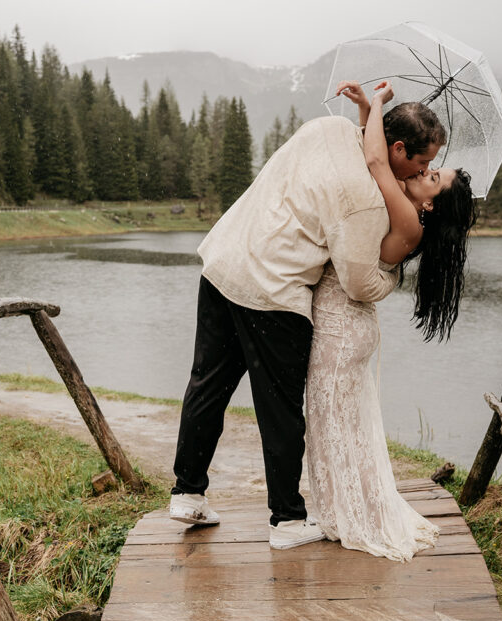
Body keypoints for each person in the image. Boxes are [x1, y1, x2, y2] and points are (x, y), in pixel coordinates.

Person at [168, 87, 448, 550]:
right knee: (279, 407)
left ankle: (187, 492)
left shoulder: (328, 128)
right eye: (422, 164)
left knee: (208, 384)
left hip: (224, 261)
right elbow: (359, 284)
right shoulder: (365, 200)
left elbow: (355, 149)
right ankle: (287, 521)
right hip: (273, 291)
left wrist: (368, 109)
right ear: (397, 148)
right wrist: (394, 275)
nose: (422, 172)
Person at [304, 80, 478, 560]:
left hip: (343, 327)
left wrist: (378, 104)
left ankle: (347, 516)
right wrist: (367, 116)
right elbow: (377, 161)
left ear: (430, 204)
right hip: (349, 326)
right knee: (341, 424)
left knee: (333, 422)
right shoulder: (406, 206)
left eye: (432, 176)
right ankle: (341, 511)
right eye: (428, 166)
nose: (424, 172)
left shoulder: (408, 218)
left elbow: (380, 163)